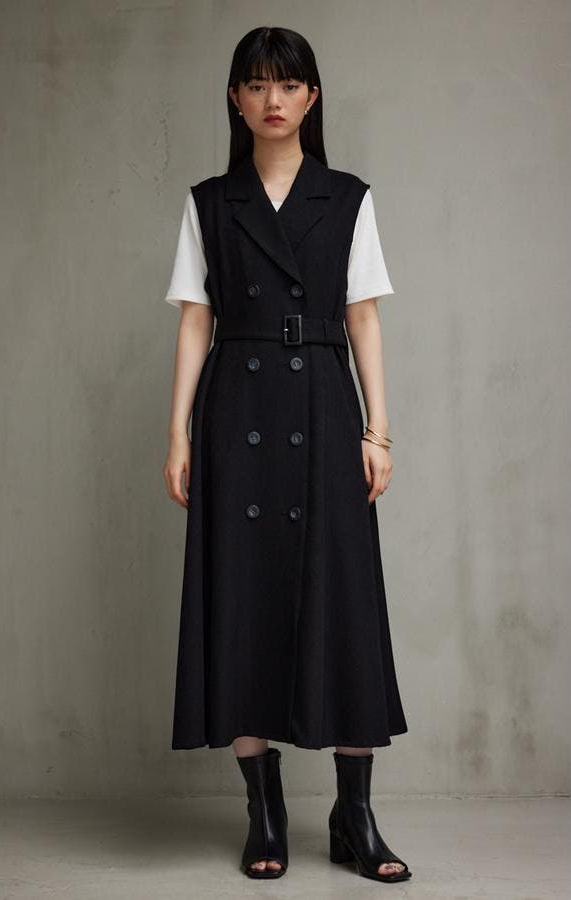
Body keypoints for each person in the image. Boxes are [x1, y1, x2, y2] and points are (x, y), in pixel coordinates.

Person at [161, 26, 411, 884]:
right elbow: (196, 318)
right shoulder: (209, 202)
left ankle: (354, 814)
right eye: (258, 84)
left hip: (324, 409)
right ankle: (263, 813)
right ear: (235, 99)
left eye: (290, 84)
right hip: (237, 409)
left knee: (344, 600)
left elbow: (363, 314)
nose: (274, 99)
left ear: (312, 98)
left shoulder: (347, 198)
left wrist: (378, 430)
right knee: (242, 598)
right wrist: (178, 432)